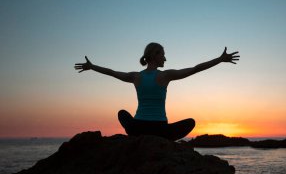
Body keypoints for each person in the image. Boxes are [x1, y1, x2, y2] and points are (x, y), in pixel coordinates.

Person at [74, 42, 240, 141]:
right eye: (163, 55)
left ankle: (137, 136)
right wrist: (219, 60)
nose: (165, 59)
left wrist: (92, 67)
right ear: (154, 55)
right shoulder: (165, 75)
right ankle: (162, 140)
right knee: (191, 122)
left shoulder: (135, 76)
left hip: (137, 128)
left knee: (122, 113)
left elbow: (111, 72)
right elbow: (196, 68)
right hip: (160, 130)